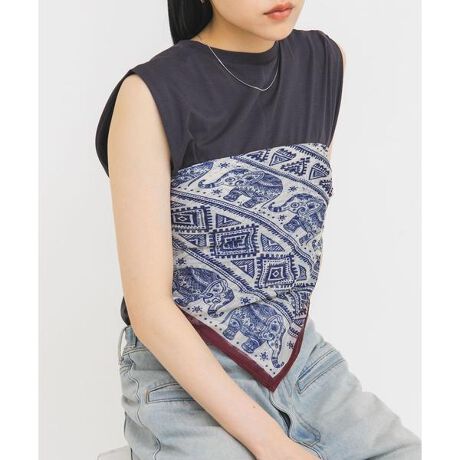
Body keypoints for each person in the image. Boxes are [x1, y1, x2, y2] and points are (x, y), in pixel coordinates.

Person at [95, 1, 421, 459]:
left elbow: (298, 232)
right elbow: (150, 309)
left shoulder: (325, 63)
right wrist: (270, 443)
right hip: (182, 371)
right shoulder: (149, 95)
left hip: (299, 361)